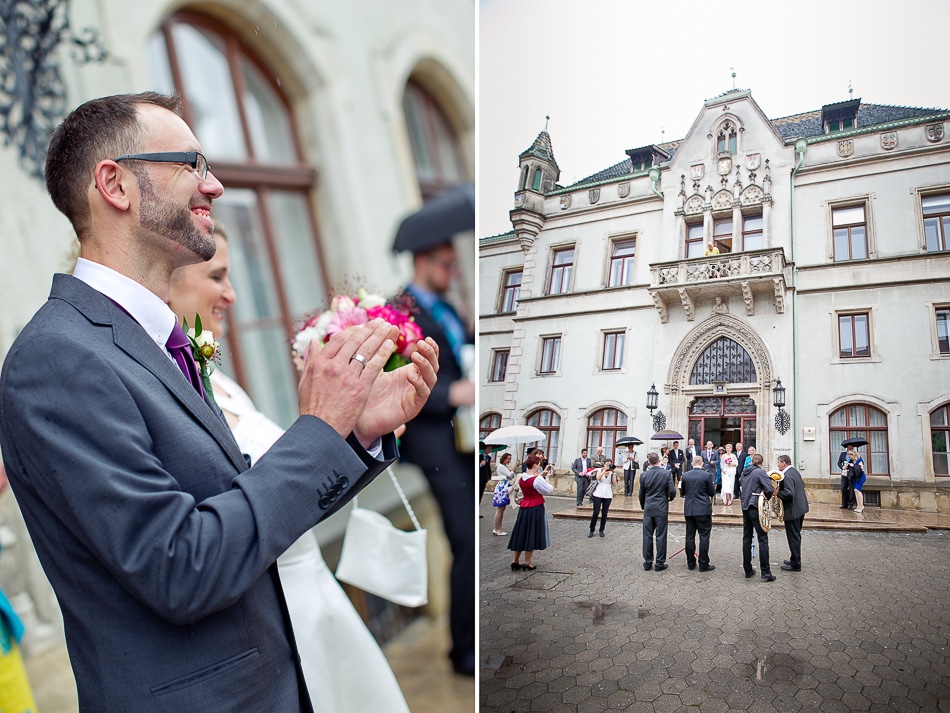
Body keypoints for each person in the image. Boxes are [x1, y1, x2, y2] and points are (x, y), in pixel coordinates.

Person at [0, 92, 438, 712]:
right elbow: (181, 566)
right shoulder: (57, 359)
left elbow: (243, 519)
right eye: (191, 165)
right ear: (115, 185)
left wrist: (351, 434)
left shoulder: (160, 342)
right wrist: (316, 428)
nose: (216, 186)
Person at [168, 232, 411, 713]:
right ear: (166, 282)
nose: (232, 293)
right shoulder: (166, 396)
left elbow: (290, 490)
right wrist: (320, 424)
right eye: (217, 276)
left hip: (316, 593)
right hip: (268, 618)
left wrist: (359, 435)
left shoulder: (222, 383)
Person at [394, 223, 476, 675]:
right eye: (445, 264)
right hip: (433, 440)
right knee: (464, 538)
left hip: (463, 436)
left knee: (467, 540)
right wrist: (451, 393)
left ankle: (469, 635)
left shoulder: (447, 307)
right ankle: (462, 648)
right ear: (422, 262)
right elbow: (396, 377)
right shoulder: (396, 310)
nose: (451, 270)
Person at [508, 456, 553, 571]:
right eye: (538, 464)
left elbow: (532, 479)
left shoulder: (522, 476)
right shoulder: (537, 480)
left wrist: (542, 474)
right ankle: (527, 562)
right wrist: (547, 478)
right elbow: (548, 489)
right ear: (534, 465)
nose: (539, 466)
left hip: (524, 507)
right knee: (531, 532)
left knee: (521, 531)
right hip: (535, 507)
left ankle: (515, 560)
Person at [739, 454, 776, 581]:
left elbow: (741, 483)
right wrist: (766, 498)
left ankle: (747, 570)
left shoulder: (745, 472)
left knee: (747, 538)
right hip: (755, 507)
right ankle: (765, 573)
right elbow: (770, 489)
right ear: (761, 463)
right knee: (763, 538)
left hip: (745, 506)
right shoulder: (760, 472)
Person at [638, 452, 676, 571]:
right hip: (661, 507)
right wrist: (669, 498)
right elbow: (672, 490)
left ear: (649, 462)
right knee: (661, 535)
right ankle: (659, 563)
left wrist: (643, 505)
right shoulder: (666, 473)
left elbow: (641, 494)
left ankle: (648, 562)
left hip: (649, 507)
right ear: (659, 461)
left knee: (647, 535)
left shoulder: (644, 475)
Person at [680, 456, 716, 572]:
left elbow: (683, 492)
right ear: (703, 464)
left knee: (689, 536)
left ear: (692, 464)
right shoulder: (706, 475)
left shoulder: (685, 475)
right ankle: (703, 564)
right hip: (703, 510)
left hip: (689, 509)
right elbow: (711, 493)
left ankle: (690, 563)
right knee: (704, 537)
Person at [775, 455, 809, 572]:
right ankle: (794, 558)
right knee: (796, 535)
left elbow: (789, 493)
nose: (778, 464)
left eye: (779, 462)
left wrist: (777, 494)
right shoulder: (794, 471)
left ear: (784, 463)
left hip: (793, 510)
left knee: (793, 537)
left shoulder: (787, 475)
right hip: (800, 508)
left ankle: (795, 564)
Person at [588, 462, 617, 538]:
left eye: (609, 464)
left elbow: (614, 483)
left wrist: (613, 473)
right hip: (598, 493)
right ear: (604, 465)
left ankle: (601, 530)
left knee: (604, 513)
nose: (608, 466)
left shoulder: (611, 473)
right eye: (606, 464)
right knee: (596, 512)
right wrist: (604, 470)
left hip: (607, 494)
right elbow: (598, 478)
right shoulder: (600, 470)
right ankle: (592, 529)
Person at [492, 453, 515, 536]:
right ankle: (497, 528)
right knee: (500, 509)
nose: (509, 460)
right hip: (502, 488)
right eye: (507, 459)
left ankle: (499, 528)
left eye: (510, 459)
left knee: (502, 509)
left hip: (504, 486)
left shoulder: (504, 466)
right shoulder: (501, 466)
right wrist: (515, 466)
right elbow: (510, 475)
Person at [843, 446, 867, 513]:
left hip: (860, 477)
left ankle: (861, 506)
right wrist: (846, 467)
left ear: (853, 455)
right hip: (855, 477)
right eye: (849, 455)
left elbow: (861, 468)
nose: (849, 457)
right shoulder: (851, 461)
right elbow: (848, 466)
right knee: (855, 491)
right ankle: (858, 506)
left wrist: (853, 466)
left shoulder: (859, 460)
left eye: (850, 455)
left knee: (858, 490)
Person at [479, 442, 493, 506]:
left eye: (490, 449)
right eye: (488, 449)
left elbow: (488, 468)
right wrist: (480, 464)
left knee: (480, 494)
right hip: (479, 477)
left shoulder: (488, 458)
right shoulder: (480, 456)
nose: (489, 450)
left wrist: (488, 476)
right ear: (485, 449)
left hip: (484, 478)